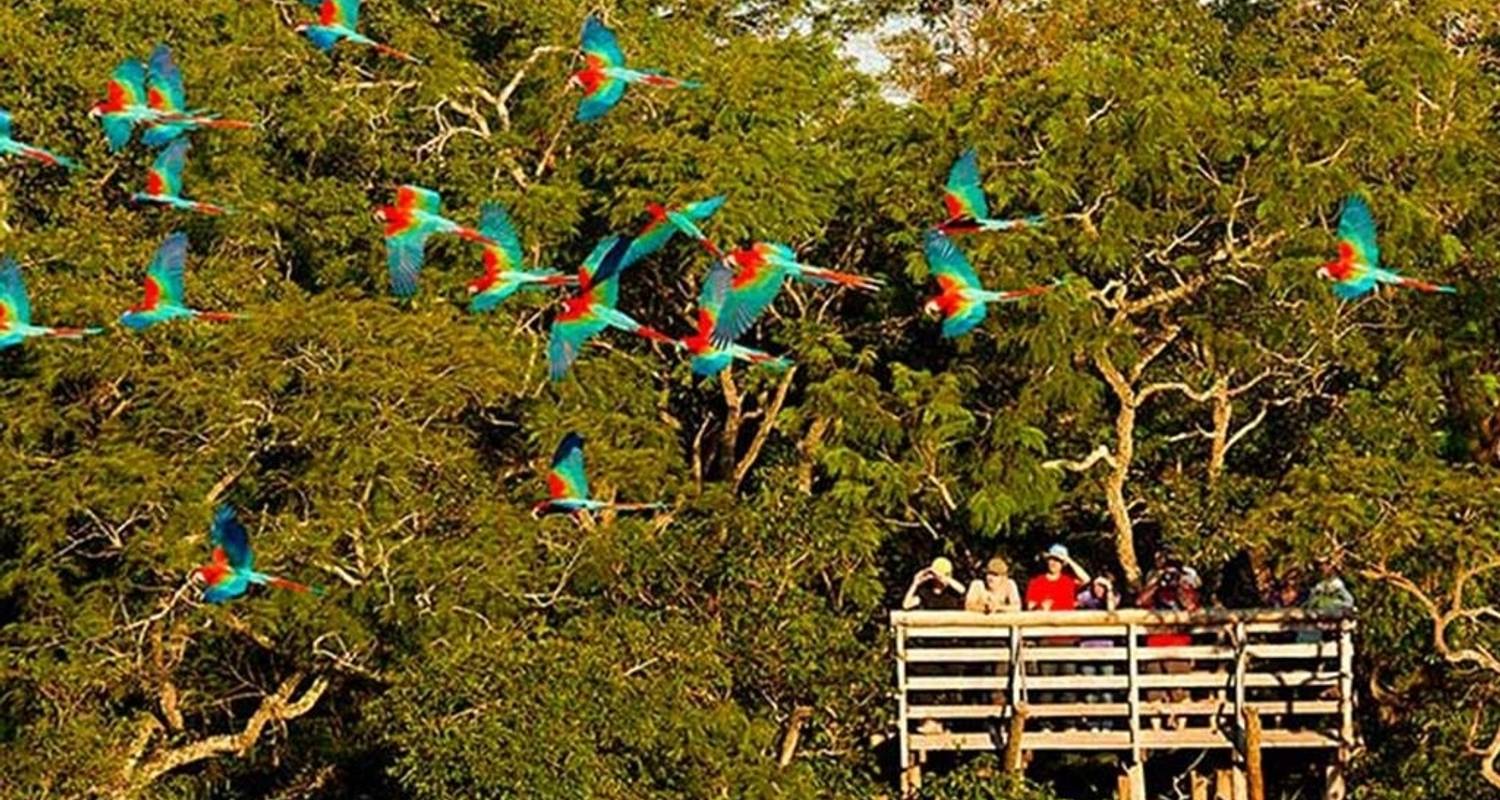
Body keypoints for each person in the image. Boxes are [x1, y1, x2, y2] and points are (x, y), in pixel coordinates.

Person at [1024, 544, 1091, 717]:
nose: (1054, 563)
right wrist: (1041, 609)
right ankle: (1046, 722)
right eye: (1052, 559)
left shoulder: (1069, 582)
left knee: (1068, 683)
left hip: (1068, 640)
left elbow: (1086, 579)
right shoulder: (1036, 582)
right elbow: (1029, 609)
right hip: (1046, 640)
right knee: (1047, 684)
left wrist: (1069, 561)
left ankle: (1068, 722)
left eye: (1058, 561)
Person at [1137, 552, 1201, 729]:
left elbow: (1191, 607)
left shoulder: (1187, 588)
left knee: (1179, 690)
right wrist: (1157, 582)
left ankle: (1180, 729)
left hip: (1179, 644)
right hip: (1154, 643)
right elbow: (1140, 601)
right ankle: (1156, 730)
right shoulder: (1155, 588)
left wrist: (1180, 587)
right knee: (1154, 691)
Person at [1076, 574, 1121, 729]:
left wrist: (1108, 590)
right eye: (1096, 585)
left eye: (1101, 585)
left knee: (1107, 688)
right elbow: (1075, 601)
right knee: (1089, 688)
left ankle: (1107, 723)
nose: (1098, 589)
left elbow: (1111, 609)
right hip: (1087, 646)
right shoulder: (1086, 597)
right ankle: (1092, 724)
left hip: (1106, 647)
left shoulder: (1113, 596)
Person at [902, 557, 967, 610]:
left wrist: (942, 576)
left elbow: (962, 590)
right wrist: (915, 583)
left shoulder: (952, 592)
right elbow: (906, 605)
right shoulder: (926, 594)